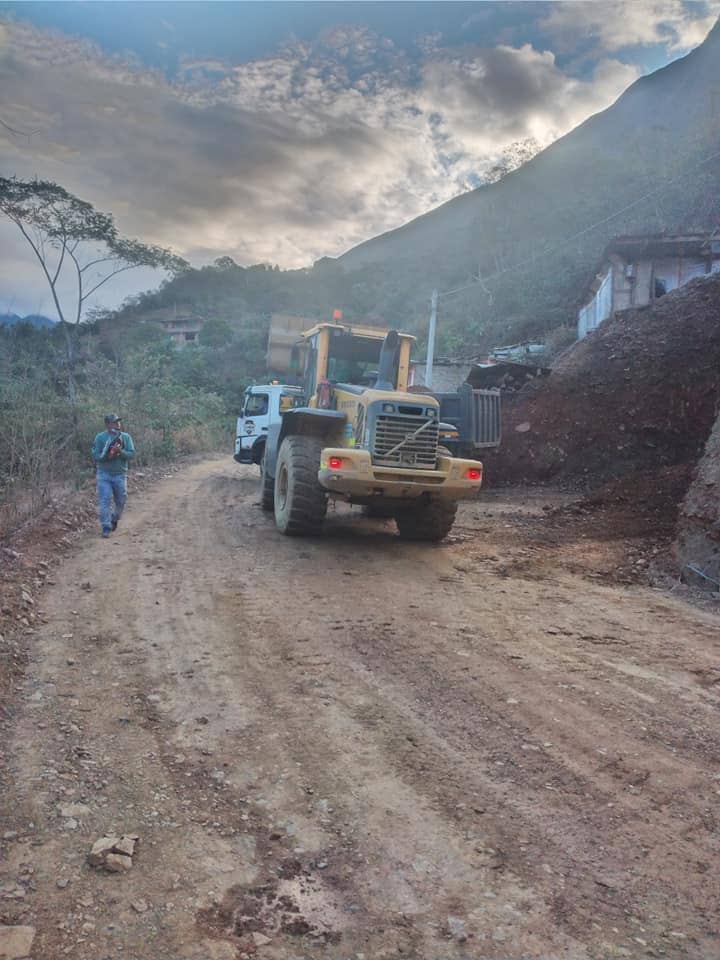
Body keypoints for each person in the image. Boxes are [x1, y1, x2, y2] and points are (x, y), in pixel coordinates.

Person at [92, 414, 136, 538]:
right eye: (114, 422)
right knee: (104, 501)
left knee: (121, 500)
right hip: (104, 474)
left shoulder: (126, 437)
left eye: (118, 422)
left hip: (120, 474)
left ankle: (114, 518)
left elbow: (131, 454)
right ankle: (106, 527)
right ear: (107, 424)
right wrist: (107, 454)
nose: (117, 424)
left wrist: (119, 452)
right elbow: (95, 455)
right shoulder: (100, 437)